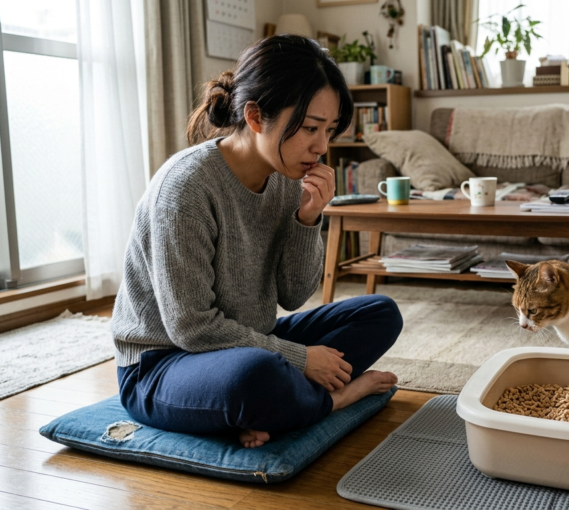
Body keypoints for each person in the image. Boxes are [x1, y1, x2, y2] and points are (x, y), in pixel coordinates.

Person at [111, 35, 402, 449]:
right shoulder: (185, 188)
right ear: (254, 116)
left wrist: (308, 219)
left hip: (248, 340)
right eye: (309, 128)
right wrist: (300, 359)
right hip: (162, 364)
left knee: (380, 313)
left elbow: (294, 294)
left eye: (330, 130)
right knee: (255, 377)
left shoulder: (288, 176)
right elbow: (191, 328)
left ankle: (269, 406)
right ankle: (332, 401)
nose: (321, 147)